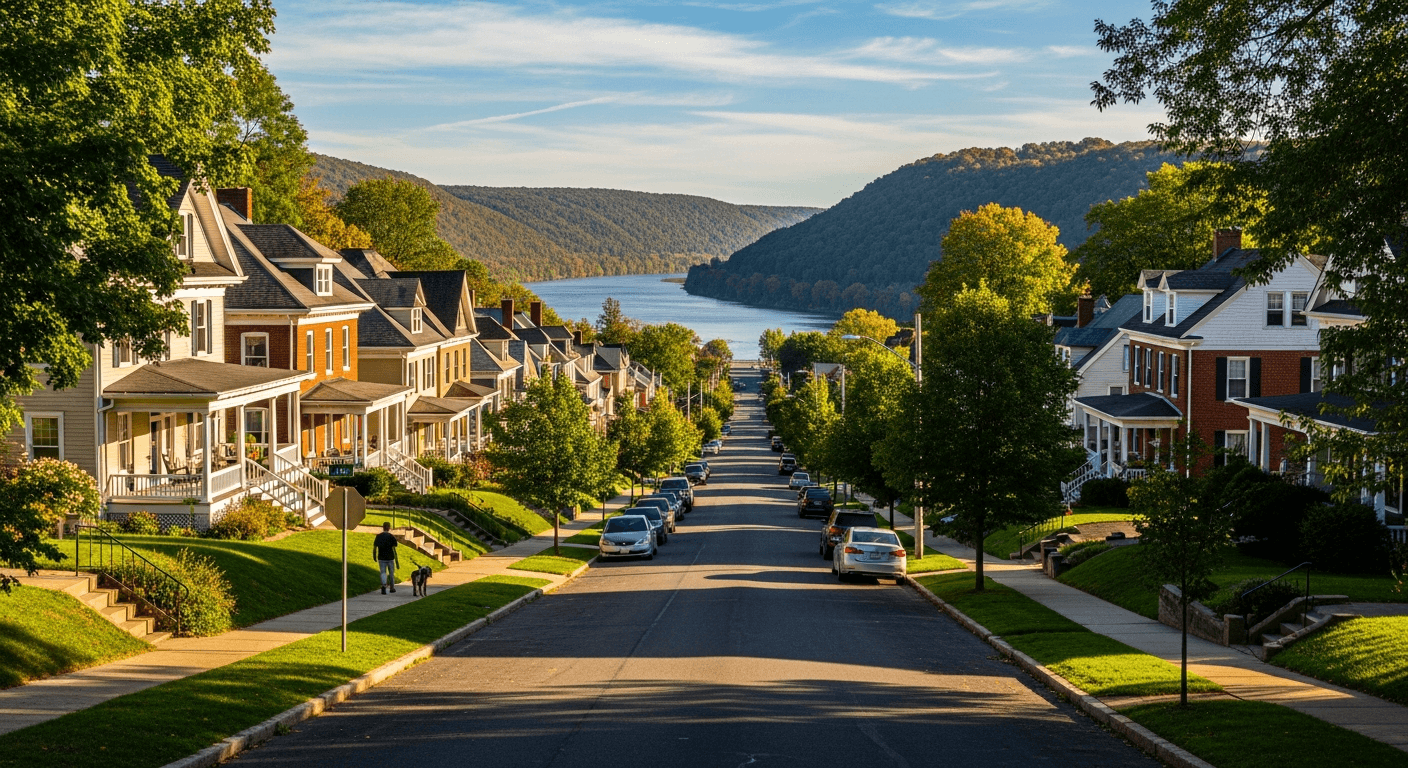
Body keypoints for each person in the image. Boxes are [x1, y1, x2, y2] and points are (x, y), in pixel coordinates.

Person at [373, 522, 399, 594]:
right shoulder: (391, 536)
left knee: (383, 572)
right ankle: (392, 587)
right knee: (391, 573)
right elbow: (395, 545)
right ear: (389, 528)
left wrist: (374, 555)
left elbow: (375, 547)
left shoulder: (378, 536)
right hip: (390, 557)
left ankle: (384, 585)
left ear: (383, 527)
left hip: (381, 557)